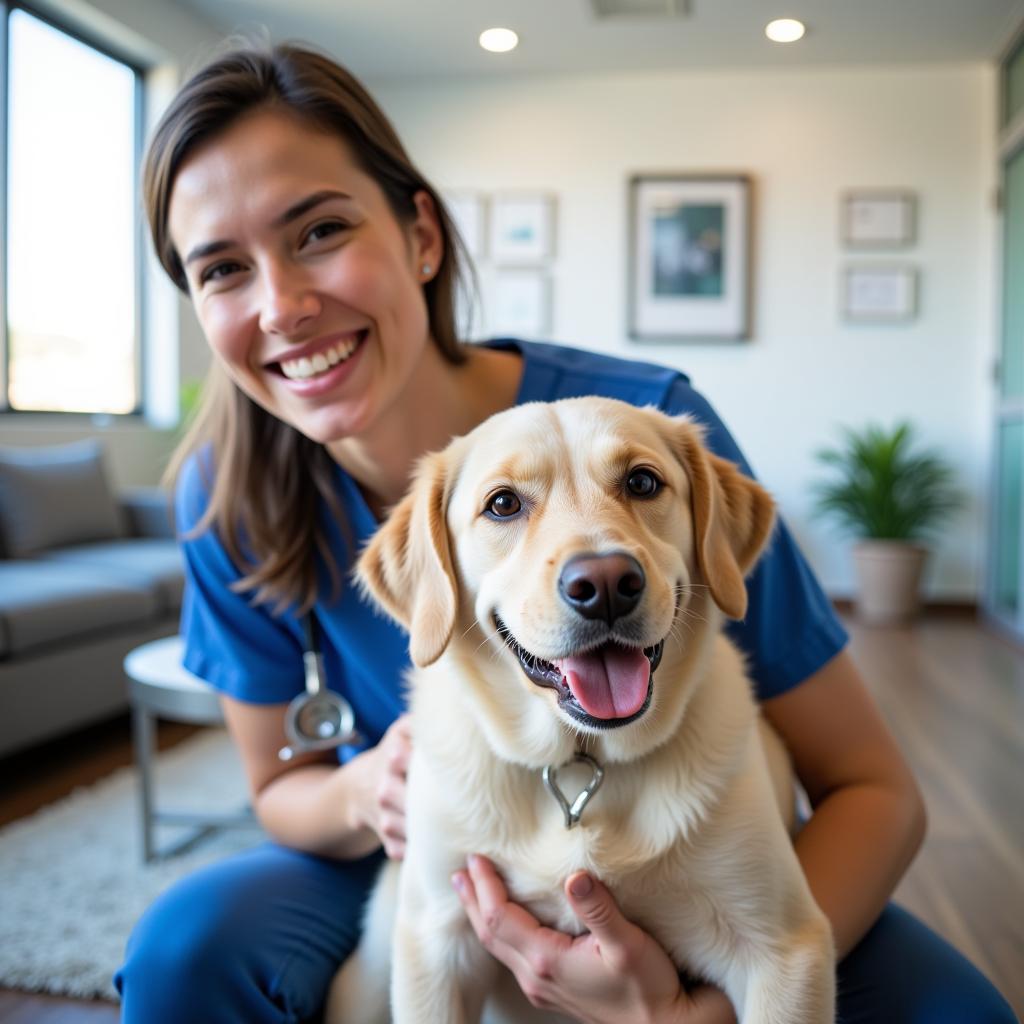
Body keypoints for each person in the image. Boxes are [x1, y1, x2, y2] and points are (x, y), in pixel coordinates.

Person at [114, 41, 1017, 1024]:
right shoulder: (228, 496)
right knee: (180, 953)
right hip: (427, 848)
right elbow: (279, 787)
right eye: (222, 269)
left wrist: (695, 1012)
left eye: (320, 230)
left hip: (691, 852)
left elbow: (874, 788)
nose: (283, 305)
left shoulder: (652, 419)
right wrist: (363, 789)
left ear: (420, 234)